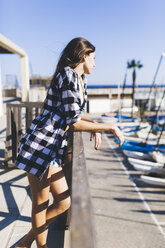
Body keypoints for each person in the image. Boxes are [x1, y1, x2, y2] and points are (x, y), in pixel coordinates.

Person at [15, 37, 124, 248]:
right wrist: (109, 127)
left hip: (52, 147)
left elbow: (75, 115)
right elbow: (73, 121)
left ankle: (25, 243)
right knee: (40, 204)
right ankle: (40, 246)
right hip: (41, 144)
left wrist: (93, 123)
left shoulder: (80, 80)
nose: (95, 63)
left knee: (64, 202)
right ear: (84, 57)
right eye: (93, 58)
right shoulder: (68, 75)